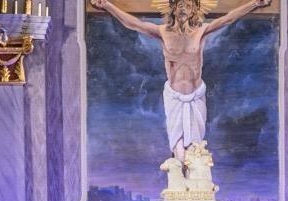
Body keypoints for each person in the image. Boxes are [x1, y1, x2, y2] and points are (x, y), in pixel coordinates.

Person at [89, 0, 270, 159]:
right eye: (180, 4)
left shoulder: (201, 31)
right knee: (178, 145)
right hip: (174, 96)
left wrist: (255, 3)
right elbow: (134, 23)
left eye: (188, 5)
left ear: (194, 10)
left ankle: (193, 178)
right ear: (174, 8)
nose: (184, 8)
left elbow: (228, 19)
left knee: (195, 147)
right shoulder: (162, 32)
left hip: (196, 95)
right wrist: (107, 5)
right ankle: (179, 171)